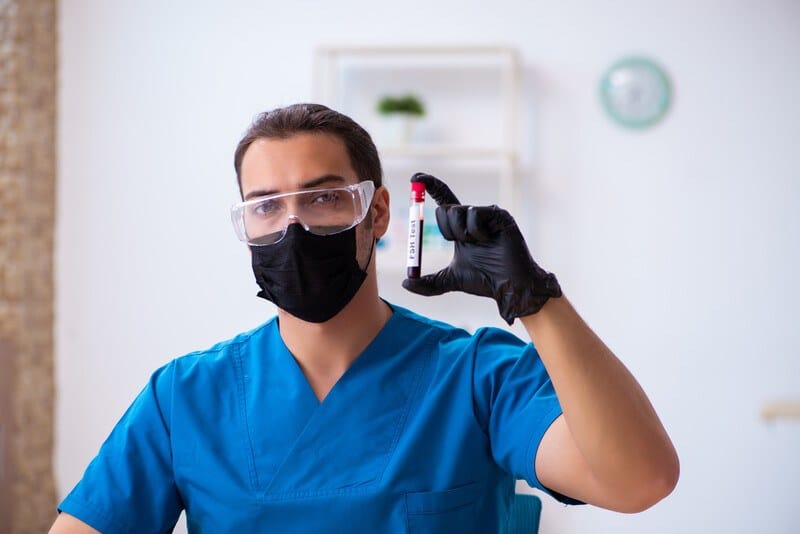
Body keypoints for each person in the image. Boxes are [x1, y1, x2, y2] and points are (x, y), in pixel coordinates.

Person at [50, 103, 679, 533]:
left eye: (324, 198)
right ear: (246, 228)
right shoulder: (184, 398)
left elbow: (639, 481)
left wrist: (536, 300)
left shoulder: (478, 377)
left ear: (377, 213)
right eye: (266, 206)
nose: (293, 225)